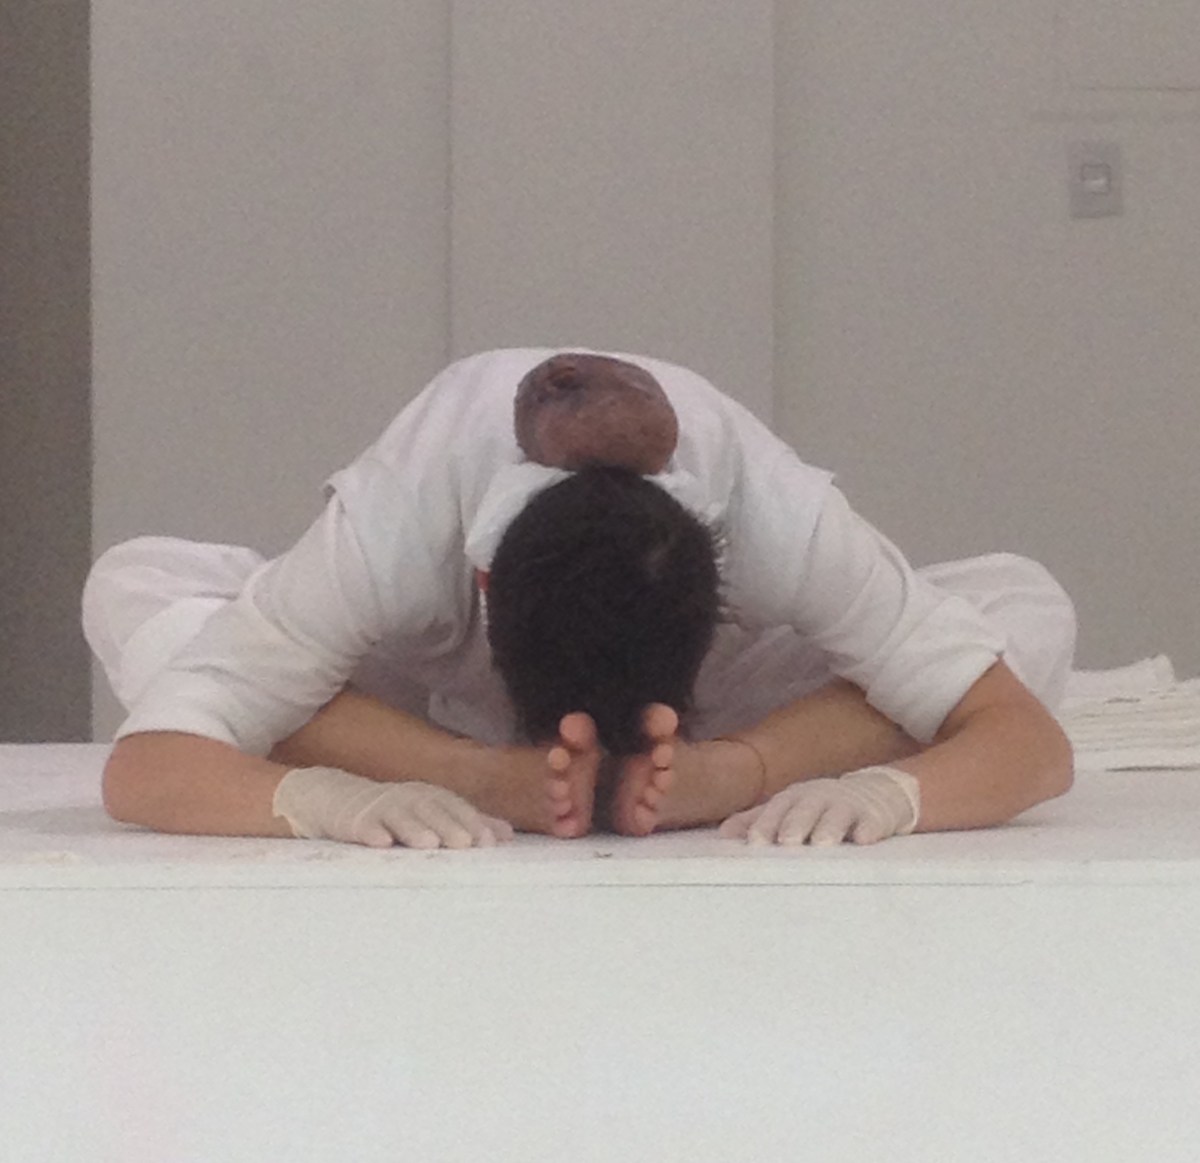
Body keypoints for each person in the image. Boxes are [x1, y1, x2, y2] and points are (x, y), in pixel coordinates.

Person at [84, 349, 1075, 850]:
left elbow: (1028, 741)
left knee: (1023, 603)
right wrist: (368, 795)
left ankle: (710, 764)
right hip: (433, 700)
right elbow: (149, 764)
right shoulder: (399, 519)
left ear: (724, 592)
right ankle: (470, 767)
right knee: (135, 580)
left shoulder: (779, 518)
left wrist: (770, 772)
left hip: (721, 710)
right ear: (482, 585)